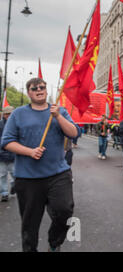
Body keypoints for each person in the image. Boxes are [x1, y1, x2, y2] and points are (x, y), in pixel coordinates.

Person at [1, 77, 80, 252]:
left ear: (46, 89)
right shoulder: (18, 114)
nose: (39, 90)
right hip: (28, 178)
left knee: (64, 211)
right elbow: (6, 141)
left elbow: (73, 133)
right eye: (34, 88)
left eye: (42, 87)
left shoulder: (59, 111)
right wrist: (29, 151)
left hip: (58, 174)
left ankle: (54, 242)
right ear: (29, 92)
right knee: (30, 224)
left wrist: (58, 116)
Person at [0, 106, 15, 202]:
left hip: (14, 155)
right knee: (2, 175)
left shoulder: (17, 124)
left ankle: (15, 185)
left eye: (10, 113)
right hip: (1, 155)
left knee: (16, 174)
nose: (9, 116)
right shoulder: (0, 125)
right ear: (4, 115)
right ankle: (4, 193)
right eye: (7, 114)